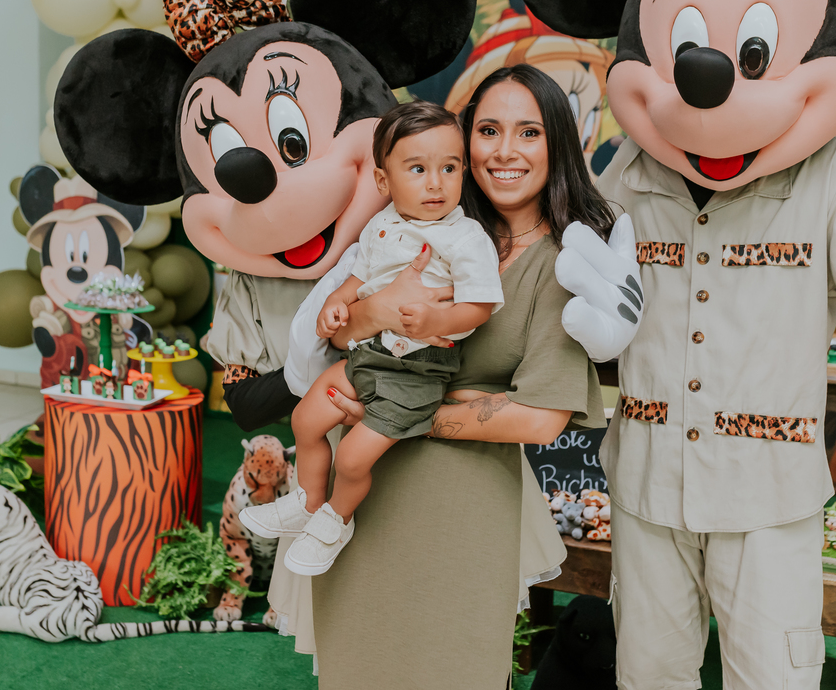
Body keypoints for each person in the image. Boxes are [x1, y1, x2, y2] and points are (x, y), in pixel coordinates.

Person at [267, 64, 617, 688]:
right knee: (356, 667)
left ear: (558, 144)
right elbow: (339, 332)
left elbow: (540, 417)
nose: (505, 151)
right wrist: (376, 311)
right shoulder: (423, 224)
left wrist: (394, 413)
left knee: (449, 667)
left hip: (460, 509)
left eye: (528, 132)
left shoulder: (560, 265)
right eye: (488, 130)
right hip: (361, 501)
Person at [240, 101, 504, 576]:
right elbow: (357, 279)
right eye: (418, 169)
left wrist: (436, 320)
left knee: (353, 458)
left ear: (463, 172)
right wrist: (335, 303)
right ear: (383, 181)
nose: (435, 183)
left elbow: (480, 306)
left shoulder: (465, 238)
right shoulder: (380, 226)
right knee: (305, 419)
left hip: (417, 371)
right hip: (369, 356)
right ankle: (307, 500)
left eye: (449, 168)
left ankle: (336, 520)